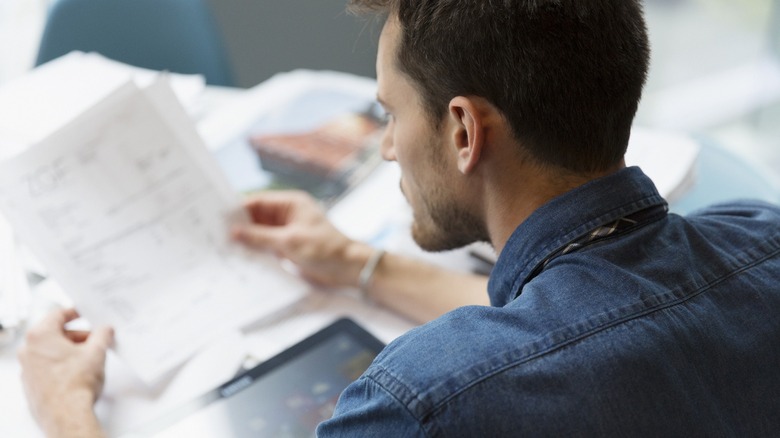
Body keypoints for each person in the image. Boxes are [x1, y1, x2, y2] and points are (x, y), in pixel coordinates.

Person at [18, 0, 780, 436]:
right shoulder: (762, 238)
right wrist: (360, 266)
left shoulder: (424, 401)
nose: (384, 147)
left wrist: (65, 415)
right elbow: (592, 315)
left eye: (389, 113)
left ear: (462, 131)